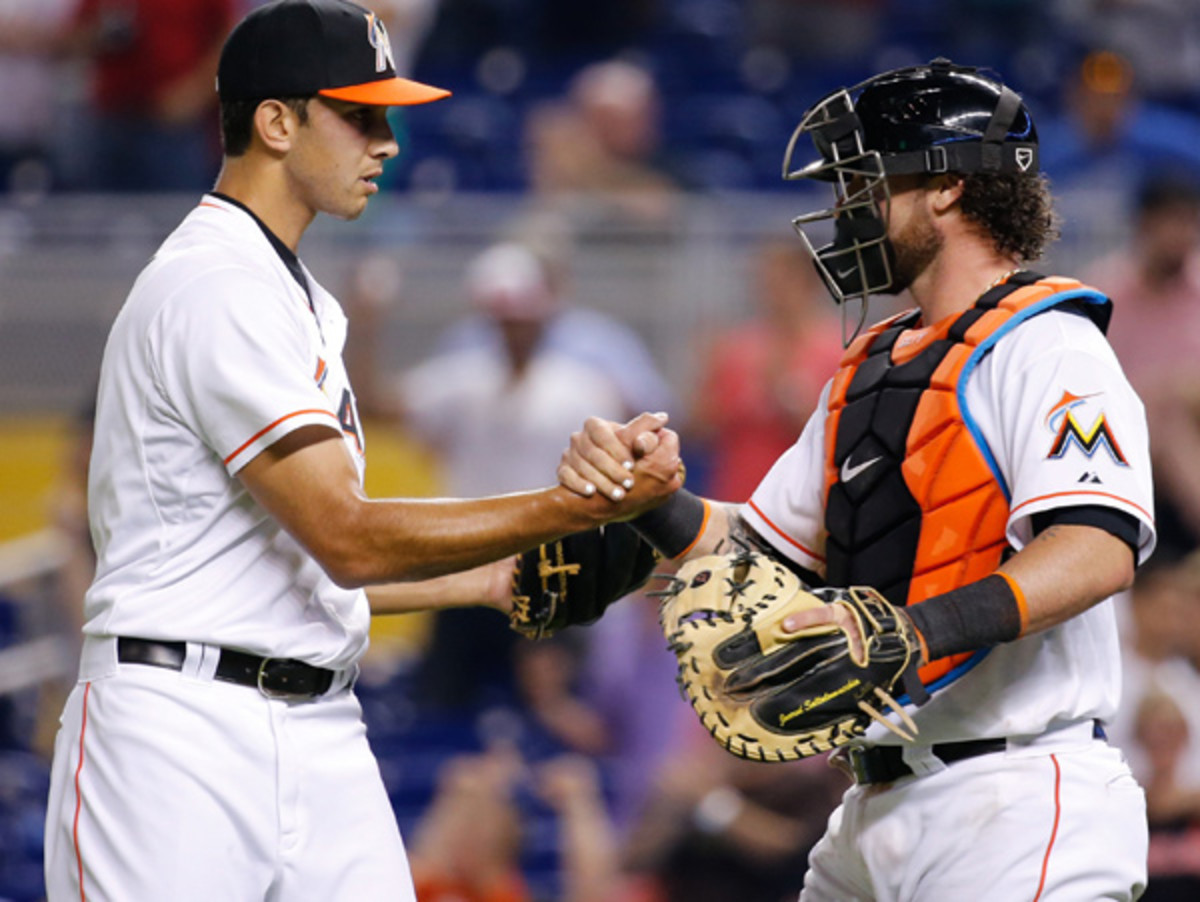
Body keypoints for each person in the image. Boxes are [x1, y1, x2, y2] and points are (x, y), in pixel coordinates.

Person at [40, 3, 682, 901]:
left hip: (317, 725)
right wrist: (574, 509)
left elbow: (296, 568)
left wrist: (490, 579)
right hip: (177, 733)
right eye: (360, 114)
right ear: (275, 121)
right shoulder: (217, 286)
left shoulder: (289, 293)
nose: (386, 141)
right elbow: (346, 536)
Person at [560, 58, 1155, 900]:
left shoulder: (1050, 346)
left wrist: (910, 633)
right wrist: (656, 503)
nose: (845, 208)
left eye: (863, 179)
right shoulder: (871, 365)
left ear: (945, 187)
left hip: (1020, 794)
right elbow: (761, 551)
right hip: (874, 801)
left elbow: (1097, 549)